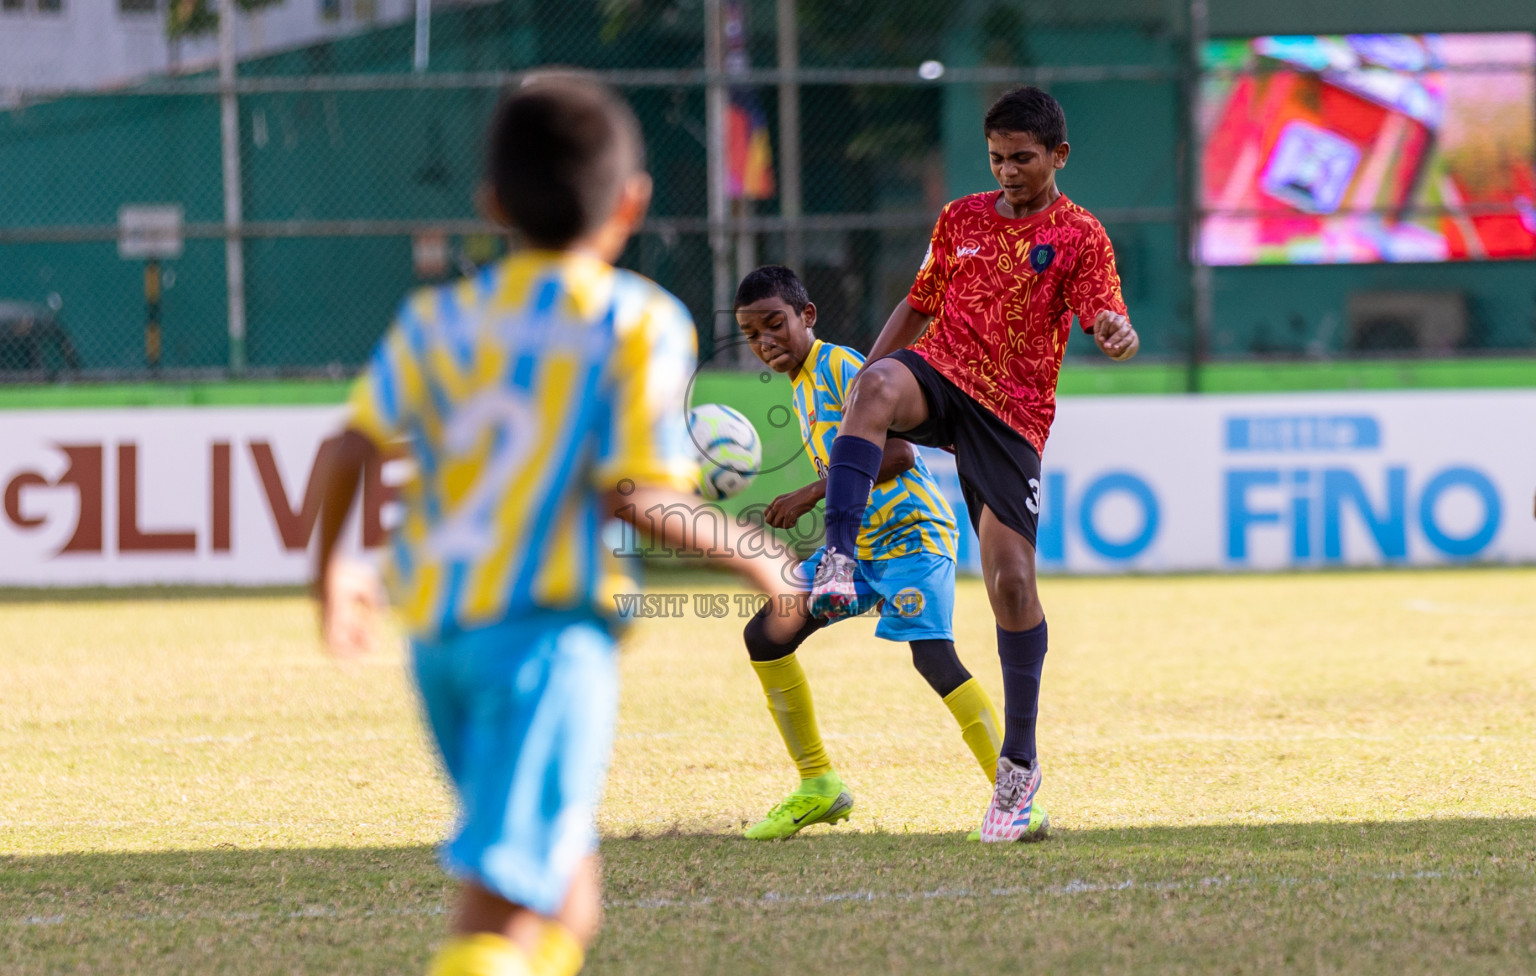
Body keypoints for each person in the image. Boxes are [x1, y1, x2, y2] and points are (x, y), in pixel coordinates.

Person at [312, 76, 800, 976]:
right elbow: (636, 493)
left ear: (491, 204)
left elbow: (347, 449)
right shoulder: (633, 321)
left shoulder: (440, 318)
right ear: (632, 202)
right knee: (499, 904)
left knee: (568, 885)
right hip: (543, 636)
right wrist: (757, 553)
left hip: (442, 638)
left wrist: (336, 568)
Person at [808, 86, 1140, 844]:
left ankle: (1018, 770)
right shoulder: (959, 218)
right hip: (942, 372)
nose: (1008, 171)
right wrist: (867, 376)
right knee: (882, 382)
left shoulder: (1082, 234)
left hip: (1013, 415)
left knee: (1011, 583)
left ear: (1059, 155)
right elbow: (920, 302)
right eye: (997, 158)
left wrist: (1115, 331)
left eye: (1023, 158)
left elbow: (1101, 309)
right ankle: (834, 561)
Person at [732, 264, 1006, 840]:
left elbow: (901, 455)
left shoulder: (842, 367)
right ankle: (819, 786)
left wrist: (809, 493)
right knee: (766, 635)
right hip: (860, 550)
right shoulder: (800, 383)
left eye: (775, 324)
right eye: (752, 334)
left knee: (933, 658)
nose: (765, 342)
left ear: (807, 316)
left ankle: (1014, 796)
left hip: (913, 537)